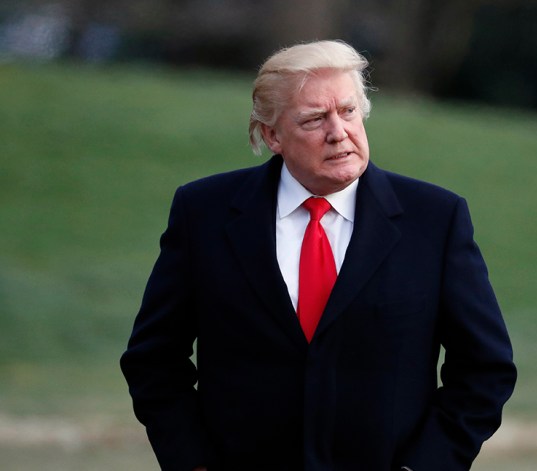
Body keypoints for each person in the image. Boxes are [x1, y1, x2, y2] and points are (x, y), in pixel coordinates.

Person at [121, 39, 516, 471]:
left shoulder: (436, 219)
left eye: (348, 111)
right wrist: (193, 463)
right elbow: (154, 360)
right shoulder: (204, 213)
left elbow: (484, 368)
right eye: (314, 119)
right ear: (272, 135)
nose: (338, 132)